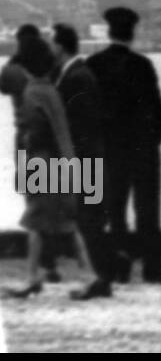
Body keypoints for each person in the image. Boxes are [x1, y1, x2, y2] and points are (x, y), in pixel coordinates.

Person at [85, 7, 161, 284]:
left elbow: (88, 110)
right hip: (143, 149)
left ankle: (118, 269)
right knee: (148, 211)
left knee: (115, 212)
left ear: (109, 32)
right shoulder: (142, 65)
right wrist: (153, 142)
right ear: (132, 33)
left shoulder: (93, 64)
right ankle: (152, 270)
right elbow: (158, 110)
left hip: (110, 150)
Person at [3, 38, 92, 299]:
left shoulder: (32, 93)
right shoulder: (51, 90)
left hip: (43, 166)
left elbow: (32, 134)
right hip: (61, 165)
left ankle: (36, 278)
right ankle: (82, 275)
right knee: (59, 224)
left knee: (36, 223)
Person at [52, 24, 115, 300]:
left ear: (60, 46)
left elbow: (78, 124)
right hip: (89, 157)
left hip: (83, 160)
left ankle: (100, 279)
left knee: (89, 220)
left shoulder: (76, 77)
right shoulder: (78, 74)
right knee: (90, 220)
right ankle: (102, 277)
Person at [1, 26, 63, 281]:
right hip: (52, 139)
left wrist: (15, 58)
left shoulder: (14, 70)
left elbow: (3, 85)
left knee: (33, 198)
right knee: (54, 197)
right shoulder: (50, 69)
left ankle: (44, 261)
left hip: (25, 139)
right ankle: (53, 258)